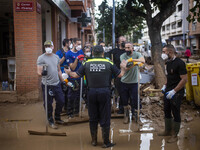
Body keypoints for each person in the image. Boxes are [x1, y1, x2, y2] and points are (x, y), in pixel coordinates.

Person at [64, 45, 127, 148]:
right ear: (103, 53)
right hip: (105, 92)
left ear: (92, 53)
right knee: (105, 117)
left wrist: (68, 72)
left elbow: (75, 75)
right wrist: (123, 68)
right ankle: (106, 142)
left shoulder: (86, 63)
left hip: (91, 93)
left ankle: (94, 141)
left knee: (93, 117)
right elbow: (120, 75)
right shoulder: (109, 63)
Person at [159, 44, 187, 143]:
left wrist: (174, 91)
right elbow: (169, 77)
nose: (163, 54)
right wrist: (165, 86)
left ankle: (175, 135)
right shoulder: (169, 62)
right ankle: (167, 130)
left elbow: (184, 79)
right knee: (166, 110)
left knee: (175, 112)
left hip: (177, 92)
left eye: (163, 52)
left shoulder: (180, 63)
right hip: (168, 90)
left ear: (170, 52)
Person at [37, 40, 66, 129]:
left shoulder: (56, 57)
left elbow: (59, 70)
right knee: (48, 104)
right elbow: (38, 71)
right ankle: (50, 120)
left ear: (53, 47)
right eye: (46, 46)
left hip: (56, 83)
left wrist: (63, 81)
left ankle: (57, 117)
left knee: (61, 101)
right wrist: (42, 73)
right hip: (47, 85)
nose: (48, 48)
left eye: (49, 46)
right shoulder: (41, 58)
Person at [120, 42, 145, 124]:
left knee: (135, 100)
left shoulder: (137, 54)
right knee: (125, 100)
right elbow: (125, 67)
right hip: (124, 81)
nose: (126, 49)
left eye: (128, 47)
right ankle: (126, 116)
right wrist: (135, 64)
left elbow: (143, 60)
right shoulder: (123, 56)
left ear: (132, 48)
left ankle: (137, 117)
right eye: (125, 48)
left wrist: (132, 60)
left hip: (134, 82)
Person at [65, 38, 84, 117]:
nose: (79, 46)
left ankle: (77, 112)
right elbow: (72, 67)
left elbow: (82, 63)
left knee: (79, 95)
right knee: (71, 95)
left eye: (80, 44)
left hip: (80, 77)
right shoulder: (68, 54)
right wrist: (76, 59)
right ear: (74, 44)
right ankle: (69, 112)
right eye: (78, 44)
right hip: (72, 78)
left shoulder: (81, 51)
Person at [108, 36, 127, 114]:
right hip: (117, 74)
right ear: (118, 42)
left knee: (124, 91)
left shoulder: (127, 51)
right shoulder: (114, 51)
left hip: (127, 74)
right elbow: (107, 57)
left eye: (125, 41)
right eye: (122, 41)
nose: (124, 42)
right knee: (117, 91)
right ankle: (116, 107)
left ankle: (123, 108)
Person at [56, 39, 71, 114]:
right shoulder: (59, 52)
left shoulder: (71, 51)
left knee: (69, 89)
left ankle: (67, 107)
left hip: (70, 72)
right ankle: (61, 107)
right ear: (66, 44)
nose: (70, 44)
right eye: (70, 43)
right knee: (63, 89)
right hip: (61, 72)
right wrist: (64, 56)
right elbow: (58, 63)